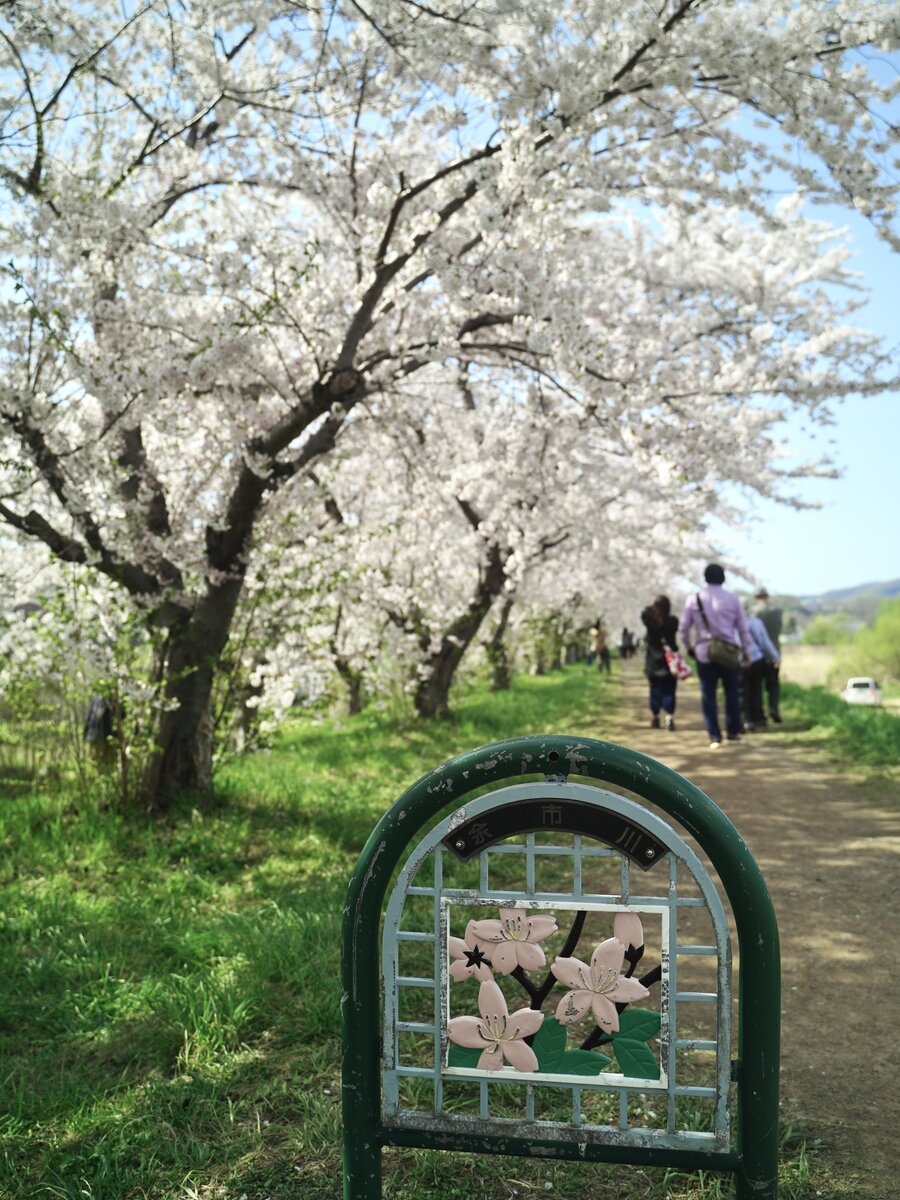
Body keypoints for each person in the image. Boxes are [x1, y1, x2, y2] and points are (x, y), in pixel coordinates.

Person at [678, 564, 752, 748]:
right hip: (728, 653)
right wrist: (747, 653)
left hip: (705, 652)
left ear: (705, 578)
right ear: (723, 578)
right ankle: (733, 731)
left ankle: (714, 735)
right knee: (732, 693)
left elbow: (683, 629)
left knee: (708, 695)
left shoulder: (694, 599)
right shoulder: (733, 599)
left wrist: (689, 648)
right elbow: (743, 628)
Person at [641, 595, 680, 730]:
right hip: (670, 663)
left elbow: (645, 613)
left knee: (655, 689)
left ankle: (655, 717)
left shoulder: (650, 621)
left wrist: (654, 609)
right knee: (669, 690)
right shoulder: (673, 622)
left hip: (653, 661)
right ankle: (669, 717)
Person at [741, 607, 780, 731]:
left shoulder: (732, 622)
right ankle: (757, 718)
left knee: (743, 691)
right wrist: (775, 656)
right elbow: (764, 641)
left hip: (740, 661)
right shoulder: (755, 622)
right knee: (756, 690)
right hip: (757, 658)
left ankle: (746, 719)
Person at [754, 587, 783, 723]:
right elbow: (779, 629)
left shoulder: (753, 612)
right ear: (767, 596)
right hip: (774, 653)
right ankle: (773, 708)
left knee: (757, 685)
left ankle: (759, 715)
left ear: (756, 597)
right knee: (773, 684)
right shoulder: (777, 611)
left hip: (757, 654)